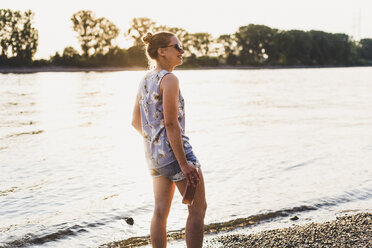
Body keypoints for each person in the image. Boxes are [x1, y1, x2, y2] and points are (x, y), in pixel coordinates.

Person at [131, 31, 207, 248]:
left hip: (155, 158)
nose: (182, 51)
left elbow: (136, 121)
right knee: (198, 209)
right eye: (177, 47)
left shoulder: (144, 80)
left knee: (159, 213)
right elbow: (171, 124)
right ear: (161, 51)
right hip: (177, 154)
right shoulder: (169, 79)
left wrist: (156, 143)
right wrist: (184, 164)